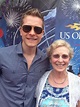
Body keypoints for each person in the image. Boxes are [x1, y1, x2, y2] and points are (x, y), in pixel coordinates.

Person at [0, 8, 50, 107]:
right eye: (27, 28)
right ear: (21, 31)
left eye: (37, 29)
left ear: (42, 33)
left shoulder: (45, 61)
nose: (32, 33)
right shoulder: (2, 55)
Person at [35, 39, 80, 107]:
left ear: (69, 59)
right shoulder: (41, 79)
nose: (60, 60)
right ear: (50, 59)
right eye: (56, 56)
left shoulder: (77, 82)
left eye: (64, 56)